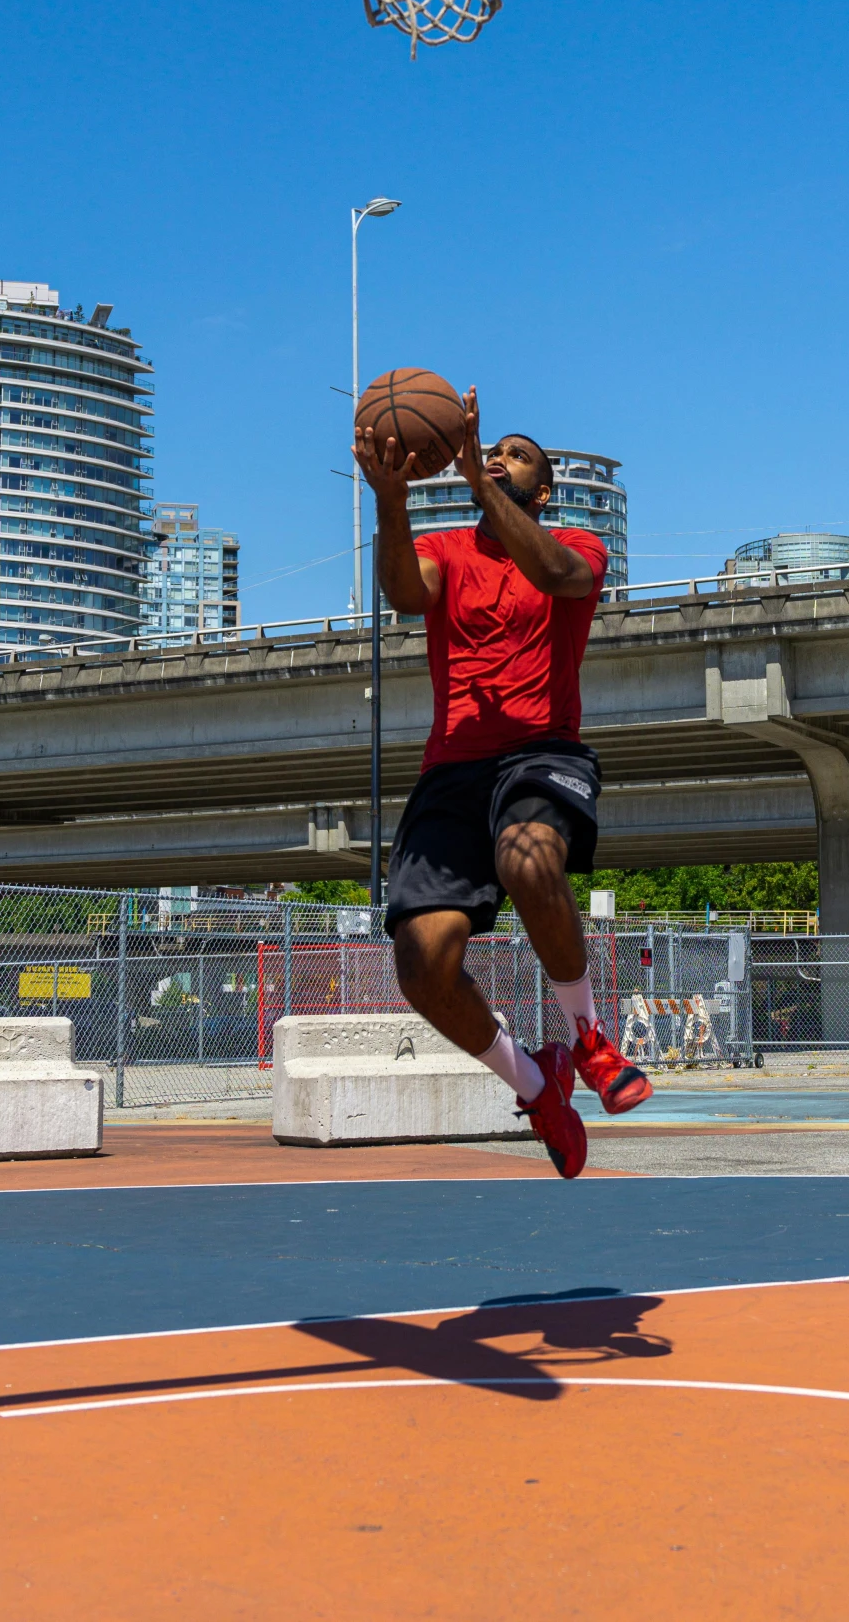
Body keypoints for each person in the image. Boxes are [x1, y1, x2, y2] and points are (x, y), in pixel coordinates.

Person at [353, 385, 652, 1177]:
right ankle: (534, 1082)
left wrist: (482, 487)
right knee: (422, 962)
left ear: (541, 488)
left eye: (515, 457)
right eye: (492, 454)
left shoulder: (580, 543)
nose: (497, 459)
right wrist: (390, 502)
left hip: (541, 749)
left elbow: (558, 577)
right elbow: (403, 596)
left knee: (528, 859)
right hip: (451, 767)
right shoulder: (447, 548)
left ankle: (586, 1035)